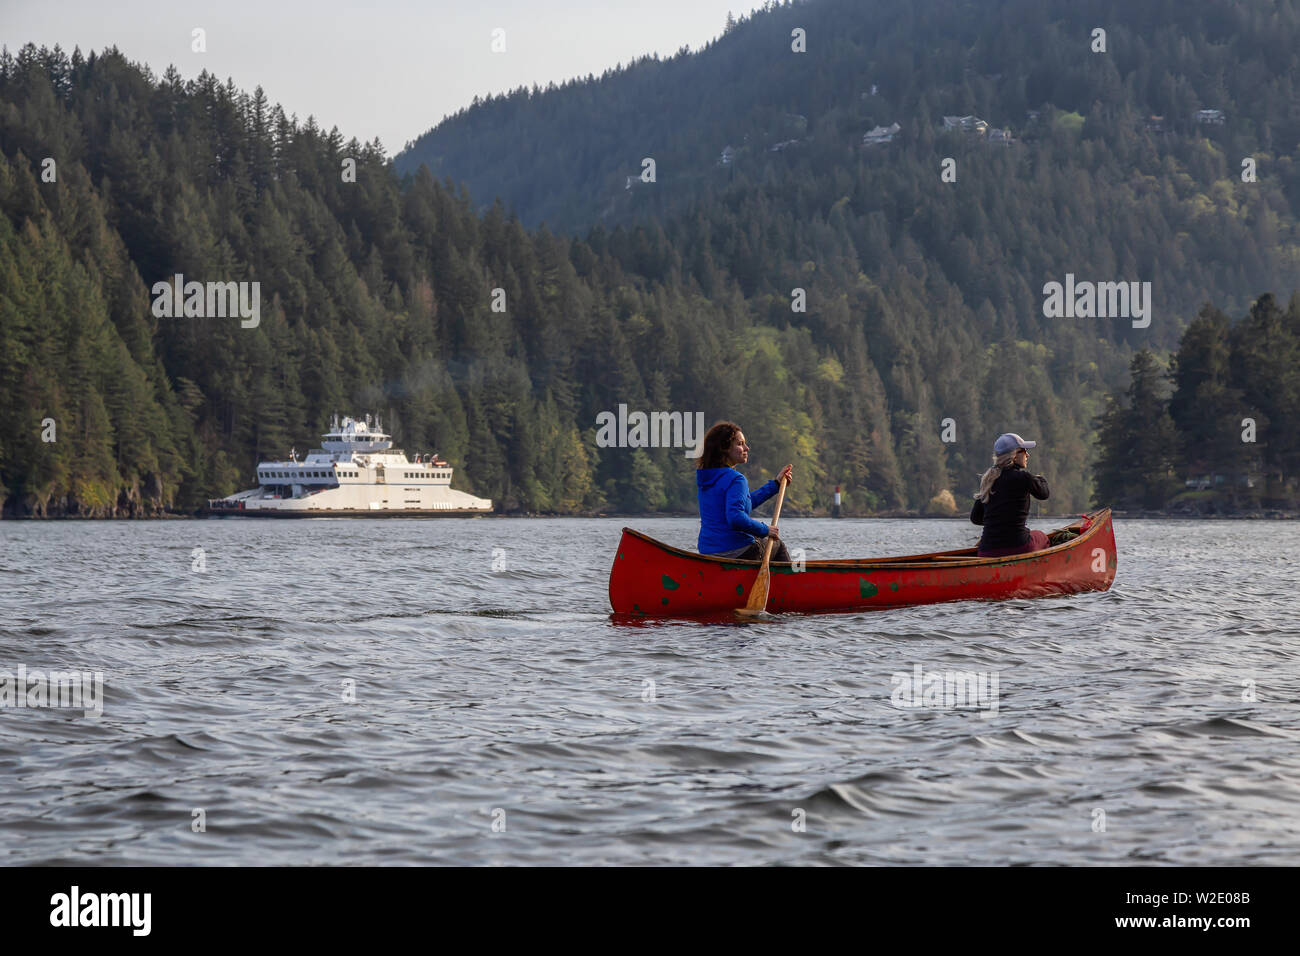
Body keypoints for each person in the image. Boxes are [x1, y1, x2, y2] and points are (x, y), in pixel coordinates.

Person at [696, 421, 794, 561]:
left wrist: (775, 485)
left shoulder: (706, 478)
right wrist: (766, 530)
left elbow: (743, 503)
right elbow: (735, 518)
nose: (747, 448)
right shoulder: (736, 479)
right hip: (736, 551)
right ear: (725, 448)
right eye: (740, 444)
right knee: (776, 544)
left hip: (708, 552)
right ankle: (793, 581)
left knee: (760, 540)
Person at [970, 432, 1050, 557]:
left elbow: (975, 518)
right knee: (1042, 537)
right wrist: (1040, 478)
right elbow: (1044, 494)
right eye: (1024, 451)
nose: (1027, 455)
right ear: (1014, 455)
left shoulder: (988, 480)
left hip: (986, 551)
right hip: (1019, 546)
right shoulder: (1024, 478)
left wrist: (998, 524)